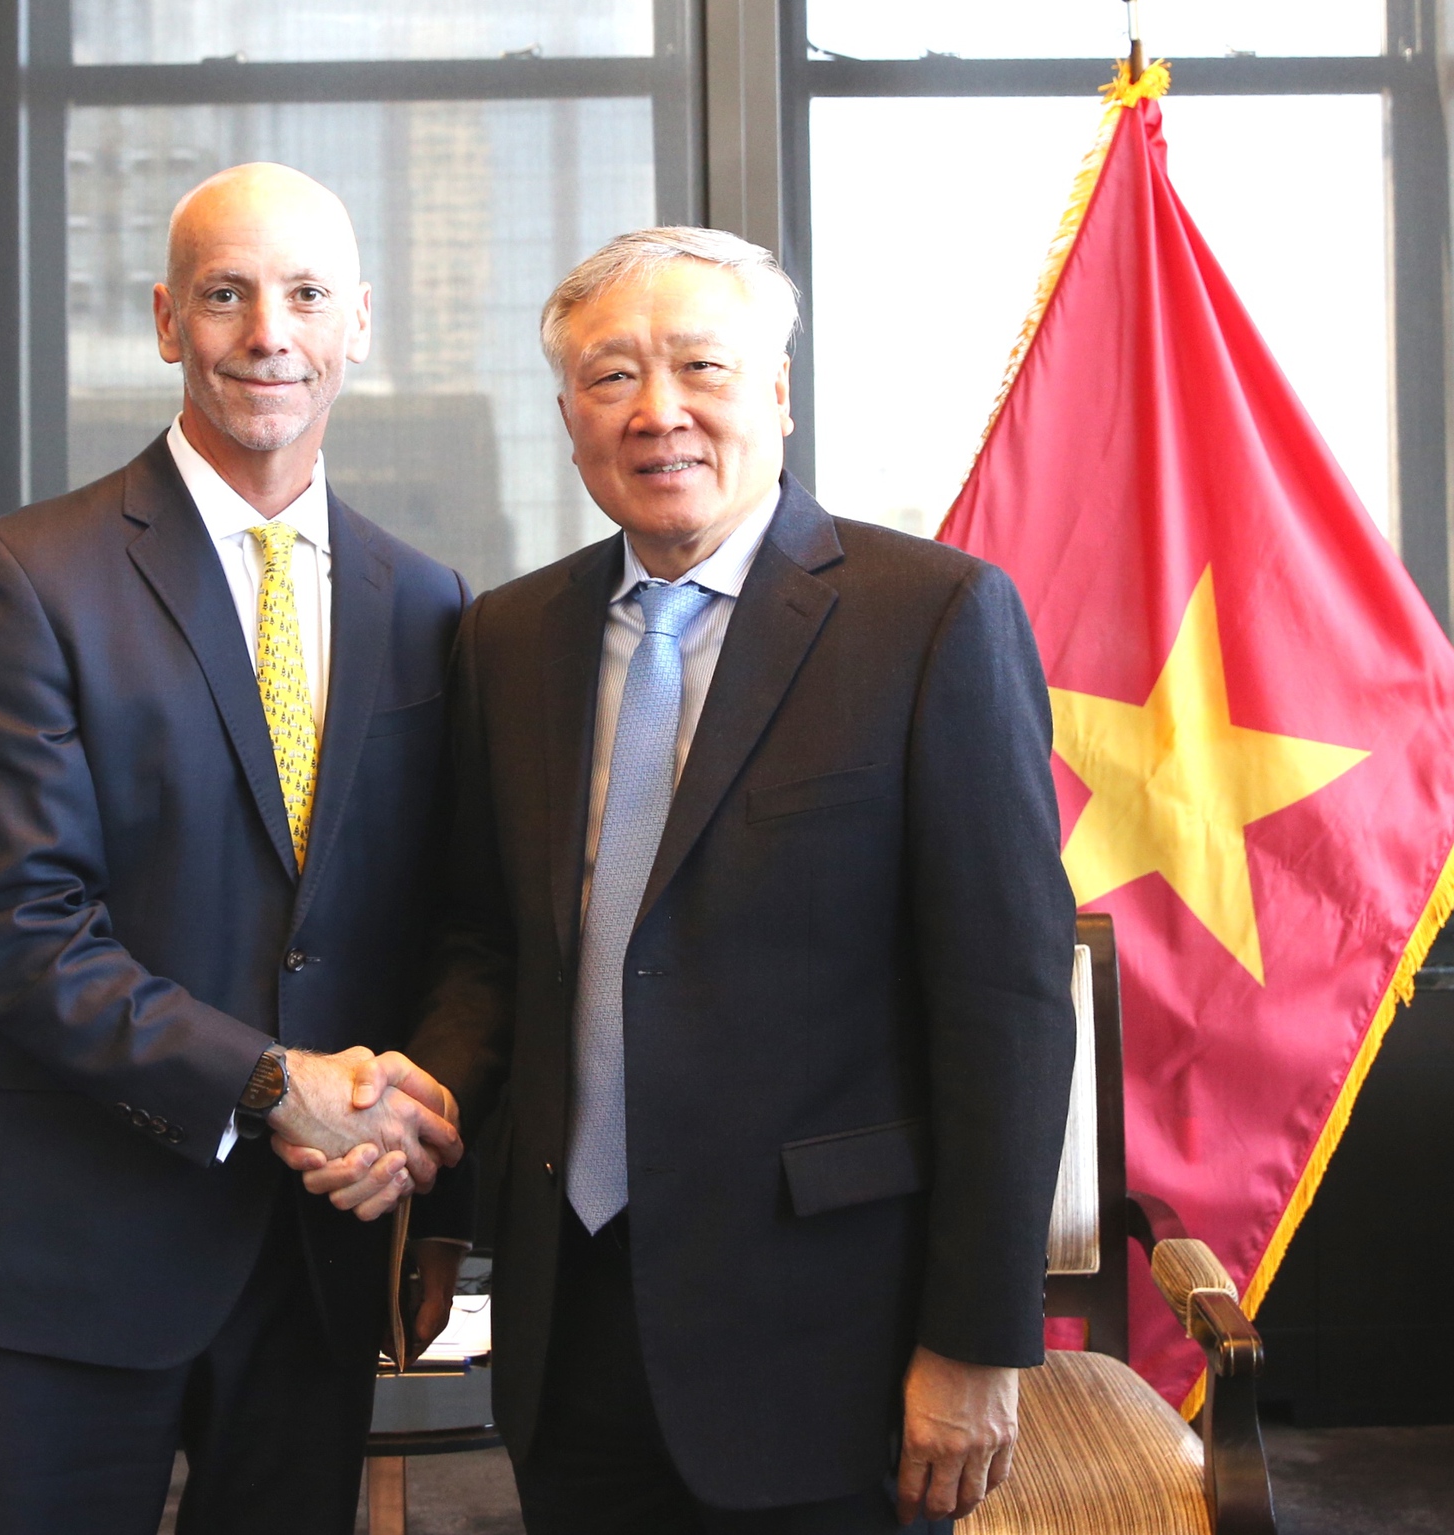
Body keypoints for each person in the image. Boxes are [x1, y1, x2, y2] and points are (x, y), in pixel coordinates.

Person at [286, 227, 1078, 1533]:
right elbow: (489, 948)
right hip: (570, 1315)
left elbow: (1007, 1005)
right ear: (568, 418)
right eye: (612, 378)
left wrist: (979, 1338)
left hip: (832, 1328)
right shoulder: (508, 638)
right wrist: (437, 1186)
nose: (658, 413)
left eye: (700, 367)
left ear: (776, 391)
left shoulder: (932, 619)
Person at [0, 162, 471, 1535]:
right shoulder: (28, 576)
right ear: (168, 322)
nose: (270, 333)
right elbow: (20, 931)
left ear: (359, 323)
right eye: (227, 294)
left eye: (307, 295)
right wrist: (272, 1086)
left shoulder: (427, 601)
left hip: (318, 1254)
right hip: (65, 1257)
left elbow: (449, 920)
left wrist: (413, 1157)